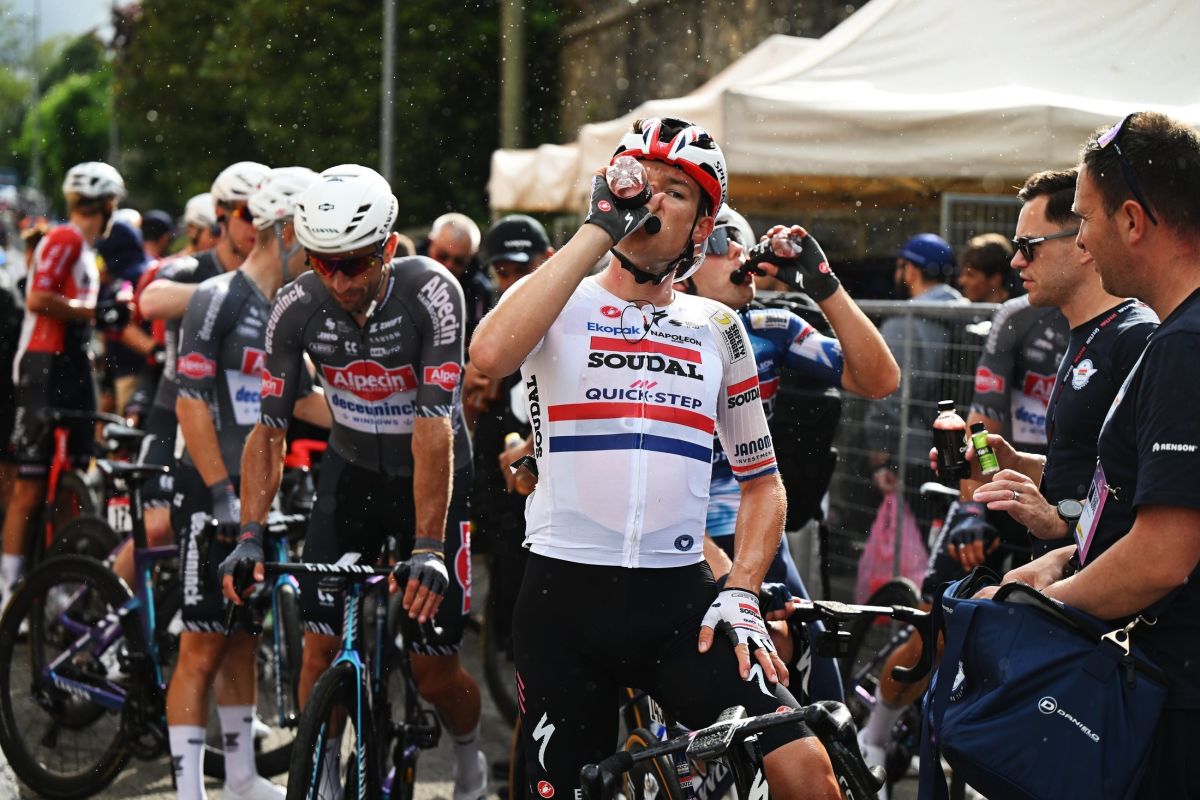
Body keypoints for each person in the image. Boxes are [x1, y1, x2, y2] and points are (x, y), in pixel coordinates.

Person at [470, 117, 842, 800]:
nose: (653, 200)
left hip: (678, 605)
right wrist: (597, 229)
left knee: (807, 771)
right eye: (643, 183)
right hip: (563, 602)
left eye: (676, 191)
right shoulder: (561, 297)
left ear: (702, 227)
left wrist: (742, 591)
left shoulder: (716, 327)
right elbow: (489, 356)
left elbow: (763, 484)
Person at [860, 167, 1157, 790]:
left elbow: (1147, 499)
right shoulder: (1070, 329)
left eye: (1028, 246)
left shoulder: (1137, 338)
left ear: (1081, 242)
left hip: (1100, 592)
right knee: (943, 629)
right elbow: (1093, 468)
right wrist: (1017, 465)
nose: (1015, 261)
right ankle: (875, 736)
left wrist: (1063, 523)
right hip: (1051, 548)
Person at [220, 164, 488, 800]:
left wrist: (429, 546)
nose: (339, 281)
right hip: (352, 476)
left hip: (433, 477)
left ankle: (471, 763)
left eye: (356, 264)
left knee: (433, 670)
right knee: (317, 654)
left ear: (389, 247)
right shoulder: (297, 305)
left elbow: (434, 428)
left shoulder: (433, 292)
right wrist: (248, 531)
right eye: (324, 264)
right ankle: (325, 777)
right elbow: (269, 430)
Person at [976, 111, 1200, 799]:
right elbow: (1130, 499)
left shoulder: (1183, 344)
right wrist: (1061, 557)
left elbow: (1164, 553)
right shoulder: (1175, 334)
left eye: (1086, 218)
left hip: (1179, 692)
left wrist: (1035, 609)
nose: (1082, 240)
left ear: (1131, 221)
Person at [677, 203, 898, 703]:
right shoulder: (657, 339)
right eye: (720, 242)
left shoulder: (770, 327)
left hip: (756, 532)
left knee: (826, 701)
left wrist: (825, 287)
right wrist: (727, 575)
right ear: (682, 264)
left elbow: (881, 379)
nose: (739, 250)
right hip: (677, 539)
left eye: (742, 239)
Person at [166, 167, 327, 800]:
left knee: (241, 637)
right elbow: (191, 403)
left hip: (257, 495)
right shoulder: (217, 297)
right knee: (201, 645)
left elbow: (305, 401)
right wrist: (220, 492)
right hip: (209, 490)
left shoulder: (286, 309)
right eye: (309, 240)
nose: (316, 256)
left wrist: (382, 412)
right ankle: (188, 788)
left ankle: (239, 775)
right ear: (283, 232)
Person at [119, 162, 270, 586]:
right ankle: (103, 613)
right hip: (176, 416)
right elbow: (150, 301)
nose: (255, 226)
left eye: (263, 216)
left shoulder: (273, 279)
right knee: (158, 528)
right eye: (246, 214)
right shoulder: (192, 268)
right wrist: (230, 297)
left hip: (240, 426)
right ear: (220, 215)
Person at [0, 162, 129, 615]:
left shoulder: (86, 249)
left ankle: (56, 579)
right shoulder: (66, 238)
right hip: (44, 364)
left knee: (72, 477)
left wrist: (102, 312)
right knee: (31, 484)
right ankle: (8, 587)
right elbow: (39, 298)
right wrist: (95, 312)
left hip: (72, 364)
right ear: (107, 204)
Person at [419, 212, 493, 342]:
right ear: (430, 243)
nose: (449, 265)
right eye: (442, 256)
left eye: (459, 261)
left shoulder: (478, 289)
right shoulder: (409, 270)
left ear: (471, 256)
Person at [956, 232, 1014, 304]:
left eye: (971, 275)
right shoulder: (960, 305)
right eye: (963, 274)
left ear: (995, 279)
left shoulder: (1018, 309)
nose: (962, 281)